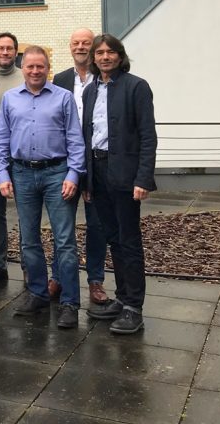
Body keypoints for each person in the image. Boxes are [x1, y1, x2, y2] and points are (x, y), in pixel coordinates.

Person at [0, 46, 85, 329]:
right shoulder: (10, 99)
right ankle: (37, 293)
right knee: (29, 240)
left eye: (40, 66)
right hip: (22, 173)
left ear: (48, 68)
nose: (35, 71)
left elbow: (75, 139)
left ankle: (69, 302)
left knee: (64, 240)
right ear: (23, 68)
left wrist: (74, 174)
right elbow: (1, 138)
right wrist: (2, 173)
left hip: (57, 173)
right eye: (30, 66)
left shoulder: (63, 97)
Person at [83, 34, 157, 334]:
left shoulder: (136, 87)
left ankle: (133, 307)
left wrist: (143, 177)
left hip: (125, 174)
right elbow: (87, 136)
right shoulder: (90, 91)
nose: (105, 57)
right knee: (112, 238)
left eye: (110, 52)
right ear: (93, 58)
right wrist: (87, 179)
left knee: (129, 240)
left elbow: (148, 136)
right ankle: (123, 297)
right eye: (99, 52)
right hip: (97, 171)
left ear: (120, 55)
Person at [51, 28, 109, 306]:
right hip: (65, 162)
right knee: (62, 224)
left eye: (86, 42)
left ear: (93, 47)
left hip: (97, 162)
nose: (81, 47)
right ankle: (58, 277)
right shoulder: (61, 79)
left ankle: (95, 280)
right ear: (70, 47)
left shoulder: (104, 78)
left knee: (96, 225)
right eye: (76, 43)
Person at [0, 32, 24, 285]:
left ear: (15, 51)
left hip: (21, 155)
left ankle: (29, 266)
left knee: (27, 213)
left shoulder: (25, 77)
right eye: (1, 48)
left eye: (9, 48)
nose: (5, 52)